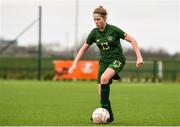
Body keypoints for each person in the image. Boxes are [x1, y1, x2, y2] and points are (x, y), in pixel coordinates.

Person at [68, 6, 143, 123]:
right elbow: (83, 49)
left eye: (98, 19)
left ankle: (103, 112)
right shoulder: (94, 33)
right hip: (103, 62)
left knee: (104, 79)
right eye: (94, 20)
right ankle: (109, 117)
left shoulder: (114, 30)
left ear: (105, 18)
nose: (96, 22)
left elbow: (133, 40)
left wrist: (139, 57)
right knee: (101, 93)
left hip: (117, 59)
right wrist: (74, 64)